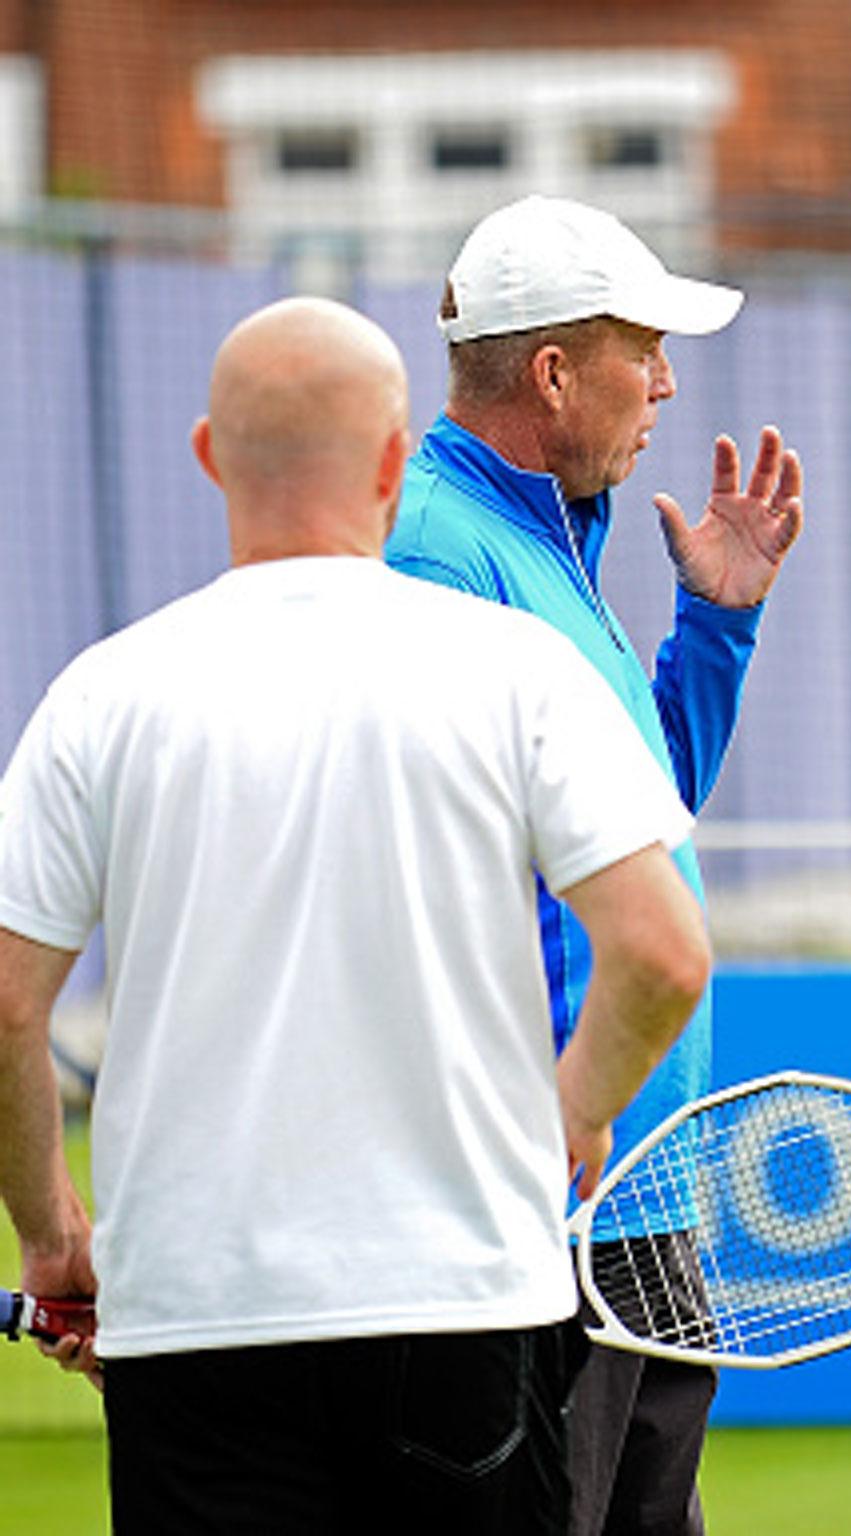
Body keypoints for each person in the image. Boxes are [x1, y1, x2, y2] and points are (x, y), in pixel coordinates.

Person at [0, 296, 713, 1533]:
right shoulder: (512, 667)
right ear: (395, 458)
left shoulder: (100, 696)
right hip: (462, 1308)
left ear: (210, 455)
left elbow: (10, 1000)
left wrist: (54, 1234)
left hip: (196, 1325)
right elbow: (660, 949)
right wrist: (567, 1121)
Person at [386, 194, 802, 1536]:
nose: (669, 385)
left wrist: (716, 634)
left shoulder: (545, 541)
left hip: (634, 1191)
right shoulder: (443, 560)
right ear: (556, 375)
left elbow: (632, 821)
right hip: (545, 1201)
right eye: (646, 353)